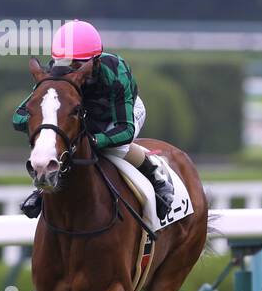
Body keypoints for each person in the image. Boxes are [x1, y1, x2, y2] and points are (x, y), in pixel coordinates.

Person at [14, 19, 175, 220]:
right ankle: (42, 188)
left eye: (78, 64)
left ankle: (156, 175)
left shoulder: (116, 71)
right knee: (64, 146)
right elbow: (19, 116)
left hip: (120, 112)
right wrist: (46, 127)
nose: (71, 70)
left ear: (96, 61)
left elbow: (125, 130)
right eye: (65, 62)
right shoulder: (55, 73)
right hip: (81, 114)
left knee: (112, 147)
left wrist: (95, 141)